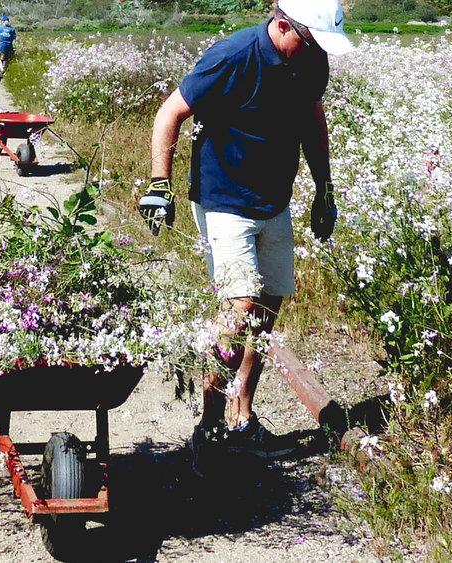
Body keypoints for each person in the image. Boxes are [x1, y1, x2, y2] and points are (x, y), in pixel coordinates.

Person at [140, 0, 354, 468]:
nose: (318, 51)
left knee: (267, 310)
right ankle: (209, 427)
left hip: (272, 200)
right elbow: (169, 113)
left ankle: (242, 418)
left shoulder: (311, 61)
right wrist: (160, 183)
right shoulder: (233, 55)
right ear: (282, 25)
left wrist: (324, 188)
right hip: (224, 200)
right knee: (238, 313)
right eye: (311, 40)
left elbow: (311, 123)